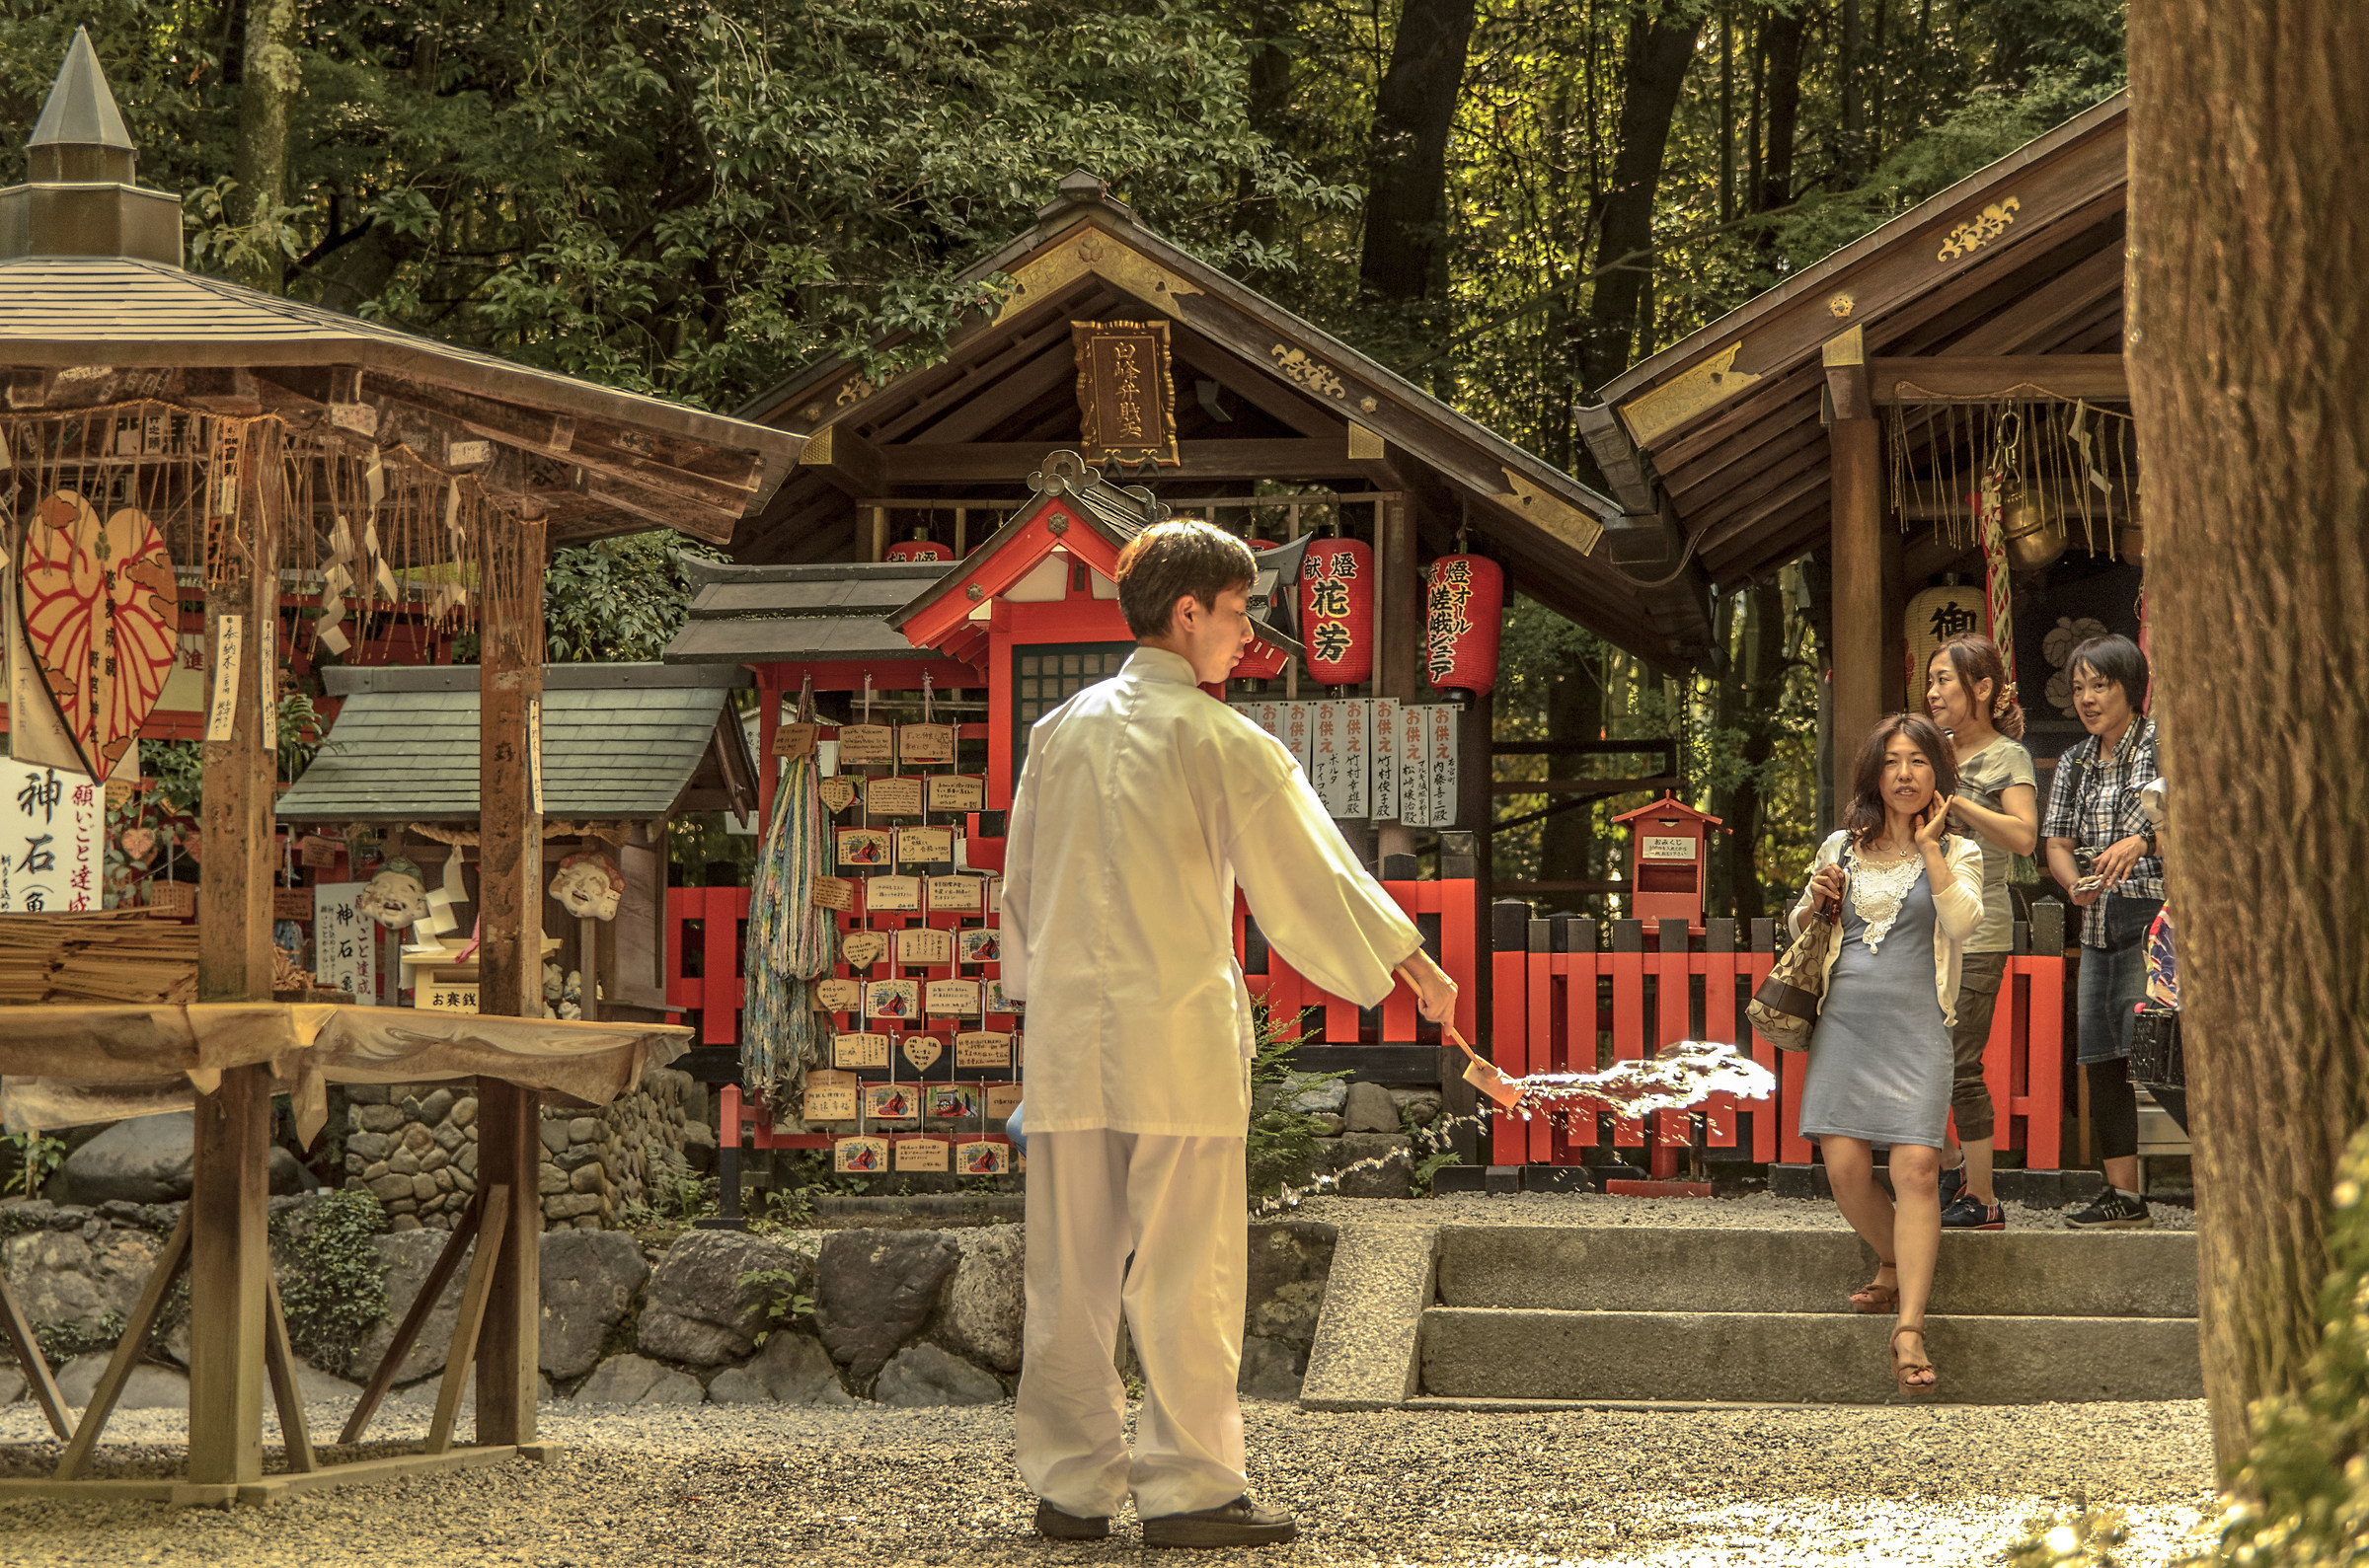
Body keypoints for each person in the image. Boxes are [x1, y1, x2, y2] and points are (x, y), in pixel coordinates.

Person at [1002, 519, 1458, 1548]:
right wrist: (1406, 959)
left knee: (1068, 1272)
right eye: (1240, 609)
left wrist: (1036, 996)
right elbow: (1313, 875)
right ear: (1188, 611)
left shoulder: (1056, 732)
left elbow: (1021, 889)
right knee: (1185, 1267)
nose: (1248, 632)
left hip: (1073, 1036)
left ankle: (1070, 1486)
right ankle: (1188, 1485)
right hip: (1178, 1036)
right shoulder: (1221, 740)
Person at [1790, 713, 1985, 1396]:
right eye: (1893, 761)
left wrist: (1930, 850)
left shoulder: (1960, 852)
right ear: (1876, 771)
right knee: (1844, 1168)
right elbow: (1801, 926)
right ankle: (1891, 1256)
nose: (1905, 773)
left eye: (1919, 761)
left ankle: (1908, 1329)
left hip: (1916, 1025)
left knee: (1918, 1167)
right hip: (1846, 1022)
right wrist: (1812, 900)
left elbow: (1963, 923)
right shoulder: (1842, 845)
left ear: (1939, 774)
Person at [2039, 634, 2164, 1229]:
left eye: (2100, 685)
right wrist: (2073, 885)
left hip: (2159, 916)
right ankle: (2125, 1195)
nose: (2087, 698)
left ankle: (2228, 1175)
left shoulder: (2164, 744)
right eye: (2079, 687)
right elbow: (2056, 843)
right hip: (2096, 920)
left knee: (2165, 1050)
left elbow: (2203, 816)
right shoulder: (2074, 761)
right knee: (2102, 1058)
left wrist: (2145, 840)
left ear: (2131, 689)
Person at [1923, 635, 2039, 1231]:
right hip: (1922, 929)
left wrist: (1960, 801)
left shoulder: (2007, 757)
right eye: (1932, 680)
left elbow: (2024, 838)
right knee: (1919, 1054)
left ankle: (1985, 1199)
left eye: (1946, 680)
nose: (1934, 692)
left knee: (1959, 1062)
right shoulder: (1927, 751)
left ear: (1985, 689)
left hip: (1979, 932)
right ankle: (1946, 1167)